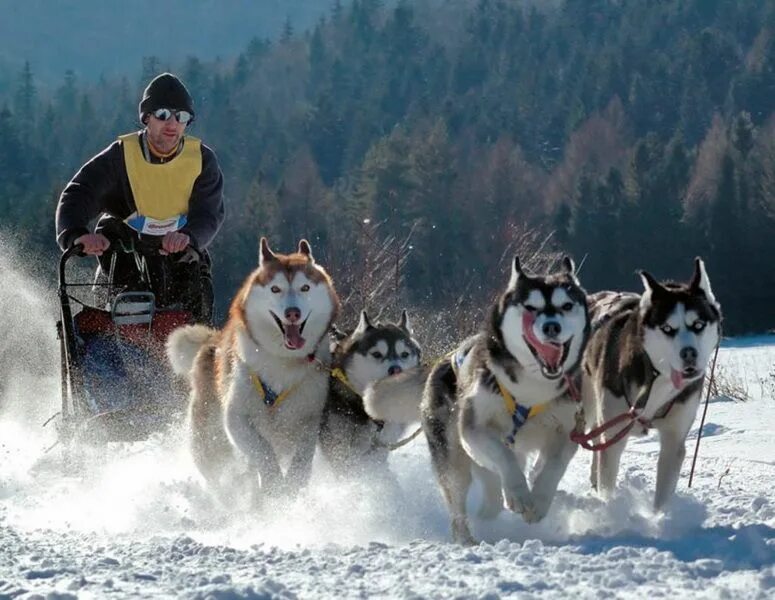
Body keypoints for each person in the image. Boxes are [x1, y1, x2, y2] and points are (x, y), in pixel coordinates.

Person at [55, 72, 225, 324]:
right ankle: (117, 339)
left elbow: (209, 213)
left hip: (178, 248)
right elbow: (79, 193)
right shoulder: (121, 156)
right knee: (127, 298)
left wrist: (189, 236)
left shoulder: (202, 160)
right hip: (125, 248)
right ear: (146, 118)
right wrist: (77, 234)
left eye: (182, 117)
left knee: (193, 303)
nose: (173, 124)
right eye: (164, 114)